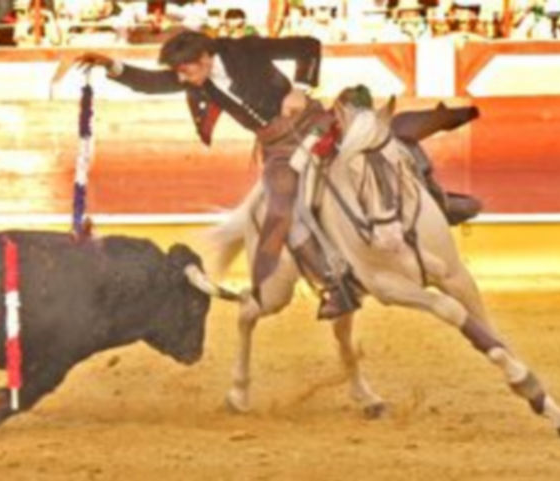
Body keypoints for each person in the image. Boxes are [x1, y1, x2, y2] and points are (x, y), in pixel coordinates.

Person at [72, 31, 359, 319]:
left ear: (205, 58)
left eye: (185, 71)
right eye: (178, 73)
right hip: (276, 146)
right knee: (281, 209)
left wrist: (300, 88)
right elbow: (152, 83)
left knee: (368, 148)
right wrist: (111, 66)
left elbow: (307, 46)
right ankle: (336, 285)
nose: (181, 79)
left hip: (310, 123)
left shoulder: (244, 49)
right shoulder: (198, 77)